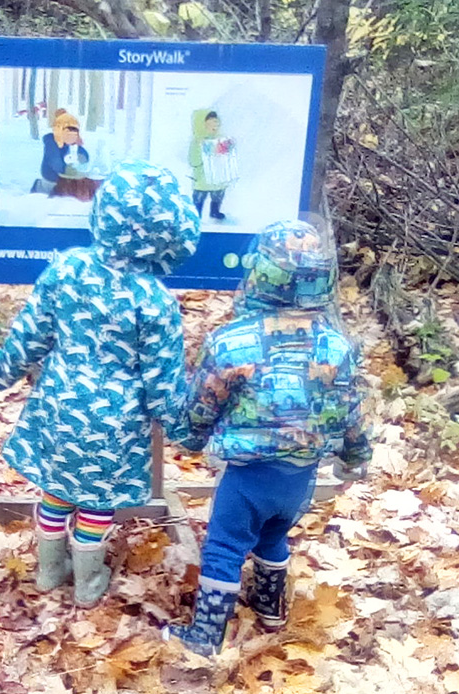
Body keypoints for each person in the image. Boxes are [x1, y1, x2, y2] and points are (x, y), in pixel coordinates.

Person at [0, 160, 200, 607]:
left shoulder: (66, 268)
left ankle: (48, 571)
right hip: (115, 423)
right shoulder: (154, 300)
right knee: (96, 502)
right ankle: (87, 583)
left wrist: (0, 371)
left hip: (58, 406)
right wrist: (187, 429)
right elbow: (164, 383)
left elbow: (30, 334)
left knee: (57, 489)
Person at [163, 219, 371, 656]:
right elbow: (352, 409)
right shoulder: (337, 346)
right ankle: (270, 607)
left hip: (248, 475)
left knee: (224, 546)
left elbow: (204, 401)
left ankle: (204, 637)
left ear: (259, 273)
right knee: (273, 537)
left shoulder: (232, 342)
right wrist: (355, 456)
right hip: (301, 478)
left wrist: (190, 438)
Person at [32, 109, 95, 200]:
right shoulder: (52, 142)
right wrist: (66, 169)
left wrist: (80, 159)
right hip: (53, 179)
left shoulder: (72, 143)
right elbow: (54, 161)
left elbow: (84, 157)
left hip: (70, 179)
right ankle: (39, 187)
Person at [188, 110, 235, 220]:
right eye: (211, 123)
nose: (214, 126)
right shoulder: (197, 142)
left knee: (218, 194)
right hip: (202, 176)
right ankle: (197, 213)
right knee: (199, 196)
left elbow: (225, 156)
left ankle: (215, 211)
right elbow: (193, 160)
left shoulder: (220, 139)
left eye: (216, 123)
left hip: (217, 176)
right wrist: (204, 155)